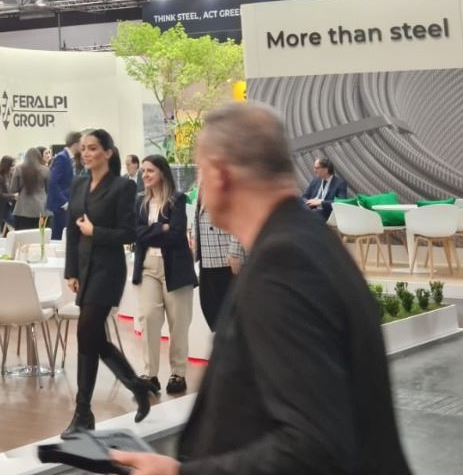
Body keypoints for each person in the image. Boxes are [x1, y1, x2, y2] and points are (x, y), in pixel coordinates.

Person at [110, 102, 412, 475]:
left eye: (202, 171)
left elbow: (314, 448)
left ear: (220, 174)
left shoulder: (285, 263)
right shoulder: (306, 241)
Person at [62, 127, 149, 437]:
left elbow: (129, 233)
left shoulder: (123, 186)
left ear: (108, 153)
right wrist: (71, 271)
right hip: (85, 268)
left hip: (108, 269)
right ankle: (136, 386)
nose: (86, 153)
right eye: (83, 148)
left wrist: (95, 232)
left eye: (93, 148)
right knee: (91, 336)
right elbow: (72, 231)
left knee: (86, 331)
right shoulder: (78, 183)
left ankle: (83, 411)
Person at [132, 155, 195, 396]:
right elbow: (136, 233)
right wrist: (162, 227)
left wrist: (150, 232)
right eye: (143, 171)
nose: (145, 175)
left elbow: (177, 235)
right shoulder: (140, 202)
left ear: (162, 173)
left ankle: (178, 373)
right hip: (147, 268)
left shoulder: (177, 200)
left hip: (175, 268)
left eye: (150, 171)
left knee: (179, 323)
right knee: (148, 318)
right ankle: (150, 374)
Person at [191, 198, 243, 332]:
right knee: (210, 308)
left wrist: (234, 252)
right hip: (206, 257)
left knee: (229, 315)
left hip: (225, 258)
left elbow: (239, 216)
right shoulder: (202, 188)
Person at [47, 132, 79, 241]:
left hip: (66, 204)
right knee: (58, 237)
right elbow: (53, 182)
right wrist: (64, 202)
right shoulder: (62, 157)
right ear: (75, 144)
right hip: (60, 206)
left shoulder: (69, 158)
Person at [9, 147, 48, 233]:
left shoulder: (19, 168)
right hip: (40, 209)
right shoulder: (45, 170)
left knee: (22, 237)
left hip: (22, 210)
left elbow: (13, 189)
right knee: (39, 237)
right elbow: (49, 189)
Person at [301, 156, 349, 220]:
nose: (314, 170)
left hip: (327, 214)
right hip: (311, 210)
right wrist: (308, 202)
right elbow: (304, 196)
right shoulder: (315, 180)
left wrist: (320, 203)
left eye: (317, 168)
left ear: (326, 169)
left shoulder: (340, 183)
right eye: (314, 168)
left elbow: (340, 203)